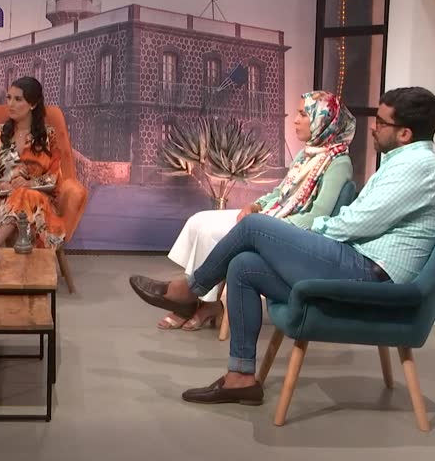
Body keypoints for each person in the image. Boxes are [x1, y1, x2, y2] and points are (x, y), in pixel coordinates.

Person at [129, 87, 435, 406]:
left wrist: (313, 233)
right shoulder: (401, 162)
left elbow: (357, 223)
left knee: (254, 227)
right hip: (359, 260)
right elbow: (355, 218)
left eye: (381, 122)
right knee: (243, 267)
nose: (373, 127)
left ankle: (190, 290)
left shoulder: (416, 167)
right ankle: (240, 378)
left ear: (405, 133)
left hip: (371, 275)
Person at [145, 91, 355, 332]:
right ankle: (196, 301)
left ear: (323, 120)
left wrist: (270, 225)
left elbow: (316, 217)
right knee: (199, 220)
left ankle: (198, 300)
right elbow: (280, 193)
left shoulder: (338, 163)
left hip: (289, 231)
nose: (296, 120)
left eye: (303, 114)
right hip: (274, 215)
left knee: (210, 233)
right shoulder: (307, 154)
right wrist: (256, 206)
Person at [0, 76, 66, 249]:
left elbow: (55, 177)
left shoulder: (48, 136)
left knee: (26, 194)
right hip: (3, 203)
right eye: (9, 97)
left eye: (18, 99)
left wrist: (29, 183)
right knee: (22, 196)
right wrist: (2, 185)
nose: (10, 104)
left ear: (32, 104)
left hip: (39, 203)